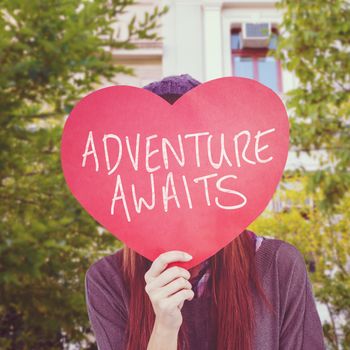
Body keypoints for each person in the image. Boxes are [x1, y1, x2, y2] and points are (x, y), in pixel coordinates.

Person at [85, 74, 326, 350]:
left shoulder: (279, 267)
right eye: (158, 158)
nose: (176, 176)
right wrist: (164, 327)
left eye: (191, 155)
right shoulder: (107, 280)